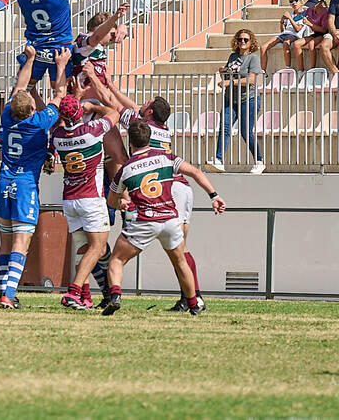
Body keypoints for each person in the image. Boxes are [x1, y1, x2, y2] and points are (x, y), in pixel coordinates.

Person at [100, 118, 225, 317]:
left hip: (144, 221)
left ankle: (115, 295)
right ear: (150, 138)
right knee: (180, 261)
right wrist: (214, 195)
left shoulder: (125, 169)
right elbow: (194, 172)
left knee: (116, 260)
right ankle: (194, 304)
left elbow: (111, 200)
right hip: (169, 220)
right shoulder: (166, 157)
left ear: (130, 143)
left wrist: (121, 203)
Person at [0, 46, 69, 309]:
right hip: (25, 185)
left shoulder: (6, 117)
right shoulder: (39, 122)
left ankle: (5, 291)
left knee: (5, 241)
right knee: (21, 242)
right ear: (32, 108)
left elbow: (19, 88)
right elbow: (60, 94)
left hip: (3, 182)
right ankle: (8, 294)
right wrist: (61, 64)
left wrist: (31, 60)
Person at [47, 93, 115, 311]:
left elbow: (59, 127)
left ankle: (84, 297)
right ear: (79, 113)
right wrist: (90, 106)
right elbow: (114, 113)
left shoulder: (57, 135)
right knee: (98, 247)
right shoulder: (92, 130)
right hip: (91, 199)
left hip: (70, 198)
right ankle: (74, 291)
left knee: (83, 248)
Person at [11, 0, 91, 98]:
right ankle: (61, 122)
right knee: (62, 95)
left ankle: (15, 119)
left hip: (36, 51)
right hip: (60, 51)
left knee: (21, 92)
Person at [205, 29, 265, 174]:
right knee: (224, 127)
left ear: (251, 42)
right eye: (240, 39)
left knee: (246, 132)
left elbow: (252, 79)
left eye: (245, 40)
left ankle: (259, 160)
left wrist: (229, 82)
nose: (242, 42)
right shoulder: (233, 57)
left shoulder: (253, 58)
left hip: (248, 99)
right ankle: (218, 160)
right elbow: (229, 76)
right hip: (230, 98)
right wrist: (224, 72)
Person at [261, 0, 308, 71]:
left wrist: (290, 18)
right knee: (263, 47)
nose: (294, 3)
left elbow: (297, 29)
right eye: (291, 1)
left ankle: (288, 68)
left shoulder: (304, 14)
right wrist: (282, 21)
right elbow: (283, 31)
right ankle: (262, 72)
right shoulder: (290, 14)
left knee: (286, 43)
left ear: (301, 2)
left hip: (296, 35)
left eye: (296, 0)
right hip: (285, 34)